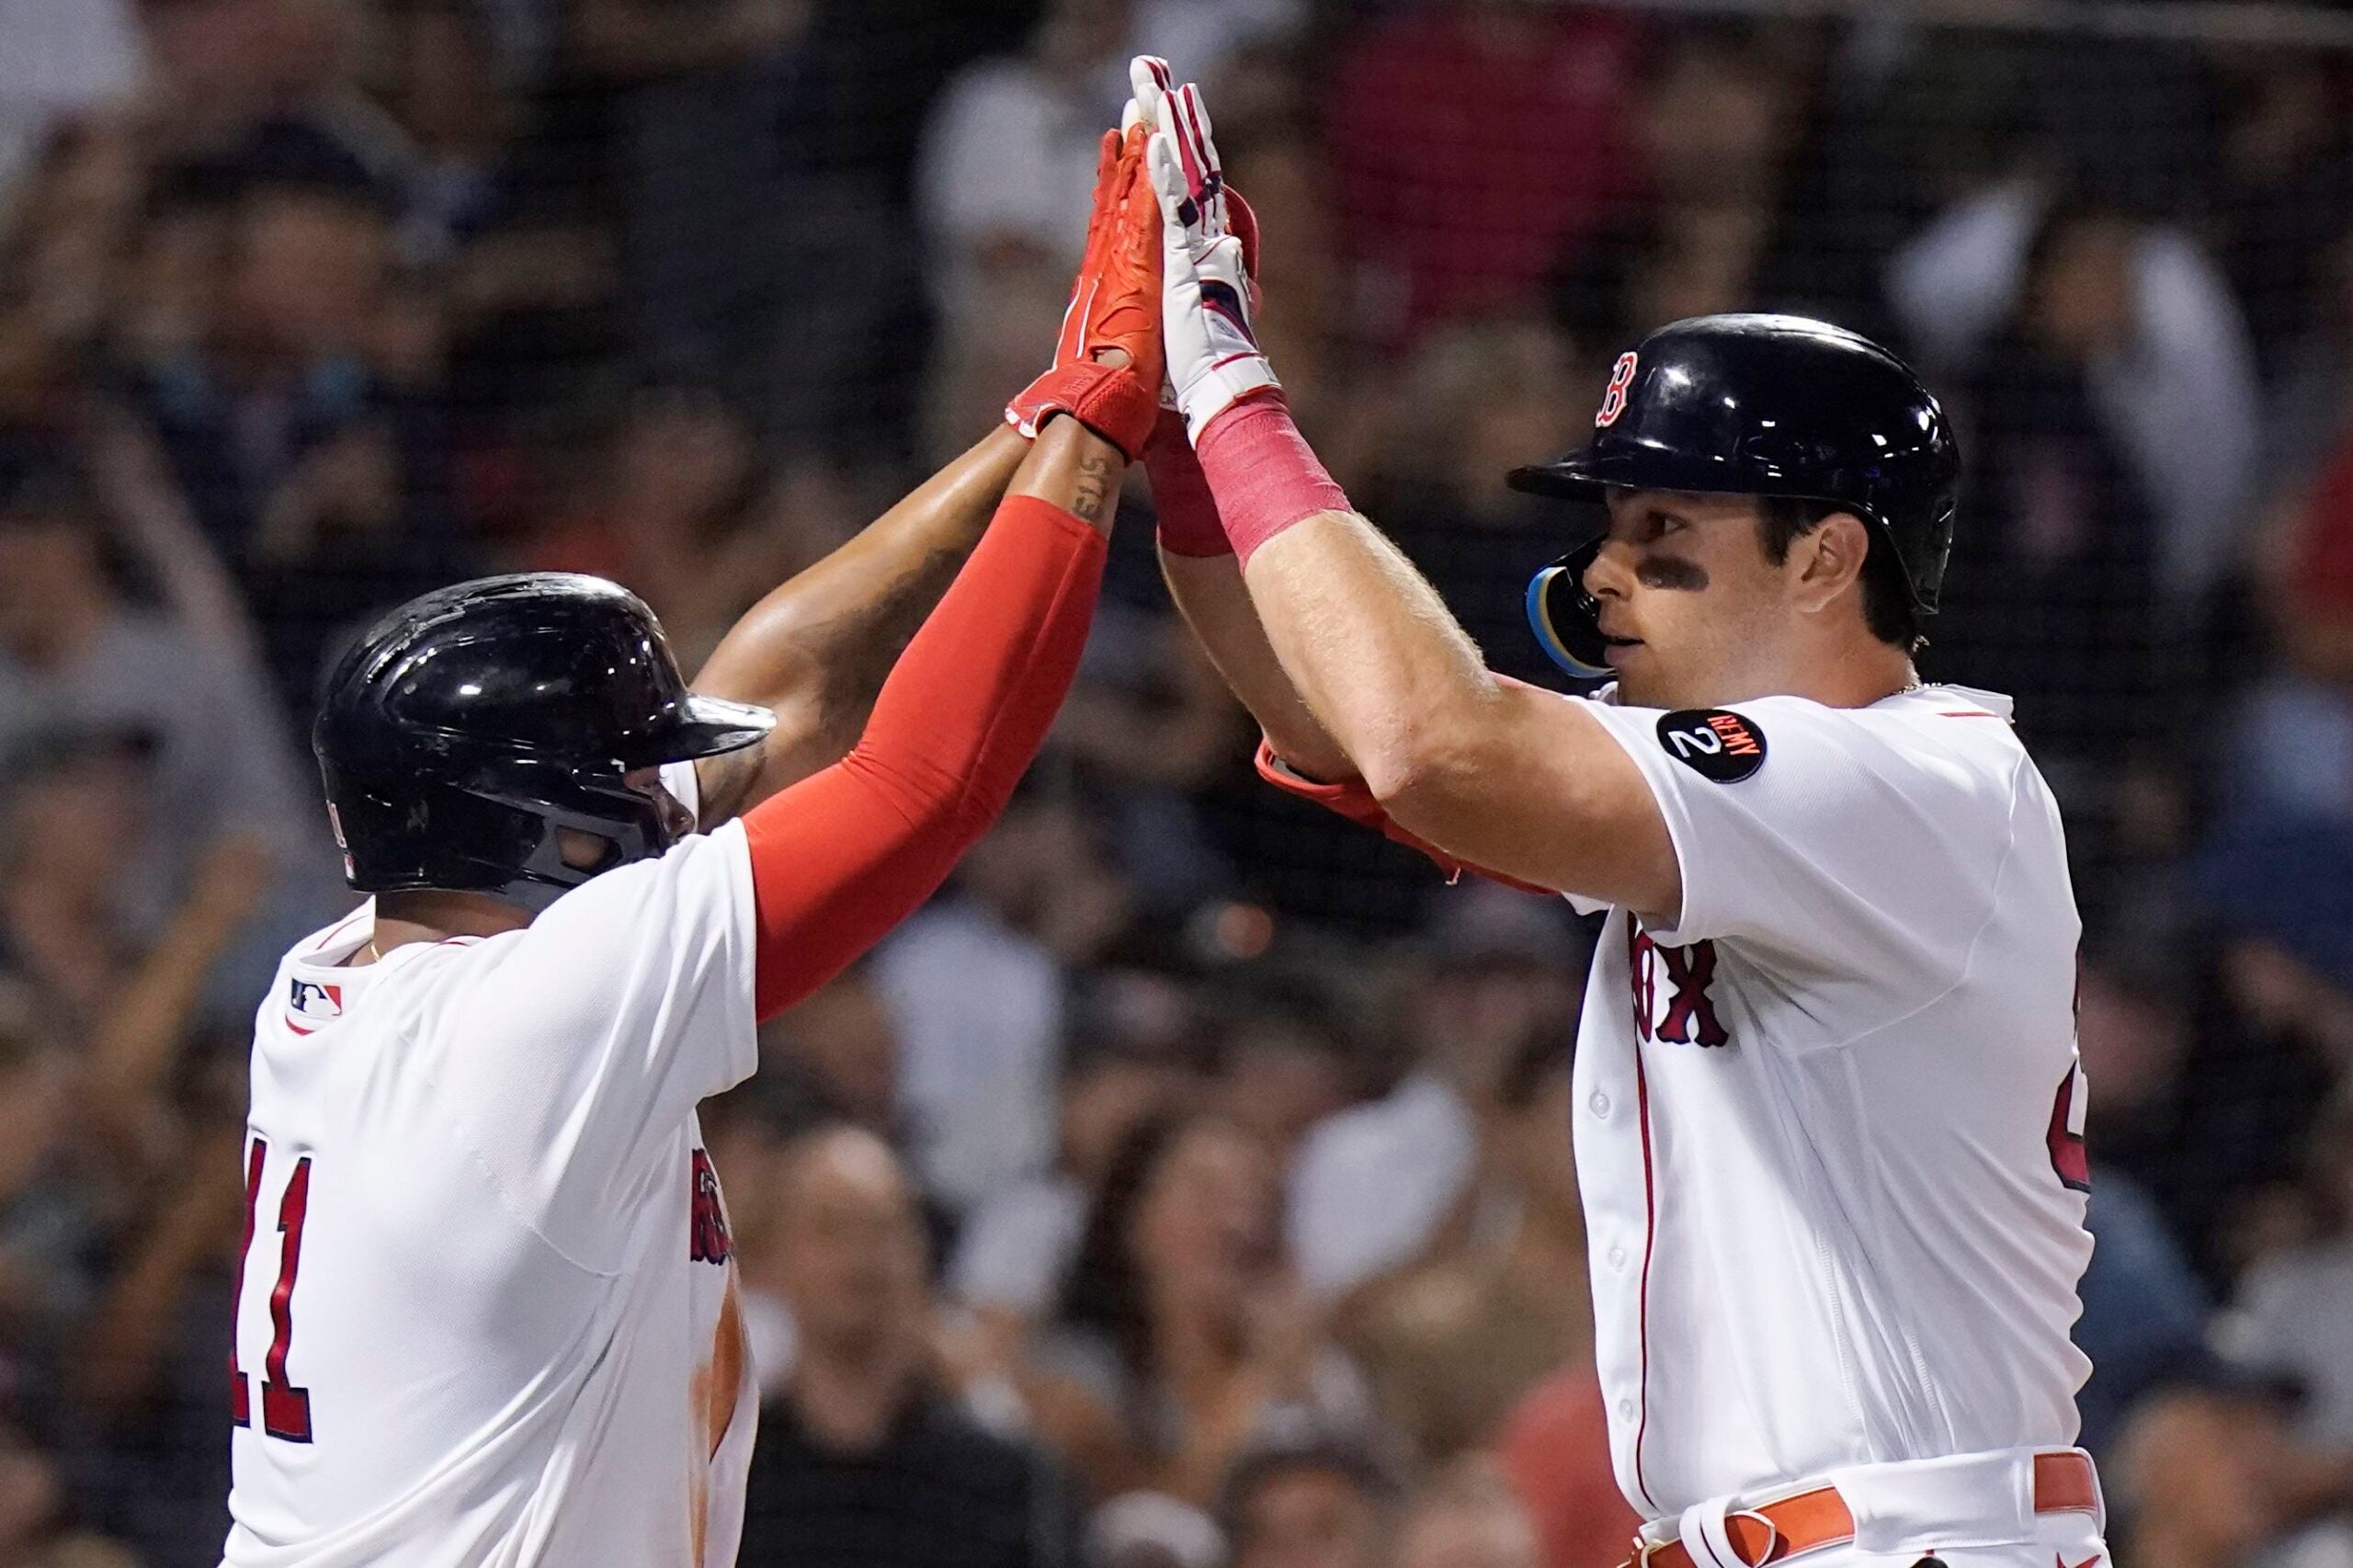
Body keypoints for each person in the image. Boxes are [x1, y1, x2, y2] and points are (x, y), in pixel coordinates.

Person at [1127, 59, 2106, 1568]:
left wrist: (1238, 388)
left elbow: (1428, 736)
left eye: (1663, 536)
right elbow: (1332, 719)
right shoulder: (1754, 788)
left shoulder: (1908, 782)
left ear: (1826, 560)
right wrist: (1184, 453)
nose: (1598, 578)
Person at [218, 113, 1165, 1567]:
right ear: (551, 817)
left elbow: (776, 687)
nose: (677, 792)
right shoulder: (533, 1018)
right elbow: (928, 781)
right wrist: (1100, 444)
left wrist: (1031, 427)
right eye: (637, 777)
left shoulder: (366, 961)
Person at [736, 1124, 1079, 1568]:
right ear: (772, 1257)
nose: (859, 1258)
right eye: (830, 1228)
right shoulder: (733, 1480)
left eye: (882, 1228)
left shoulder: (1003, 1481)